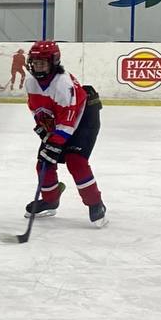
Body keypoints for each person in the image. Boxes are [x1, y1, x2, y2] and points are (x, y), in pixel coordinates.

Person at [23, 40, 106, 226]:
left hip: (83, 118)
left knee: (76, 161)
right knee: (44, 161)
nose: (38, 66)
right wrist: (44, 131)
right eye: (35, 62)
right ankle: (50, 199)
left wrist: (56, 141)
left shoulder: (63, 84)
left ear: (53, 62)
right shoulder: (30, 82)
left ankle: (96, 203)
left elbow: (69, 119)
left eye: (42, 63)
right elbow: (37, 110)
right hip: (59, 120)